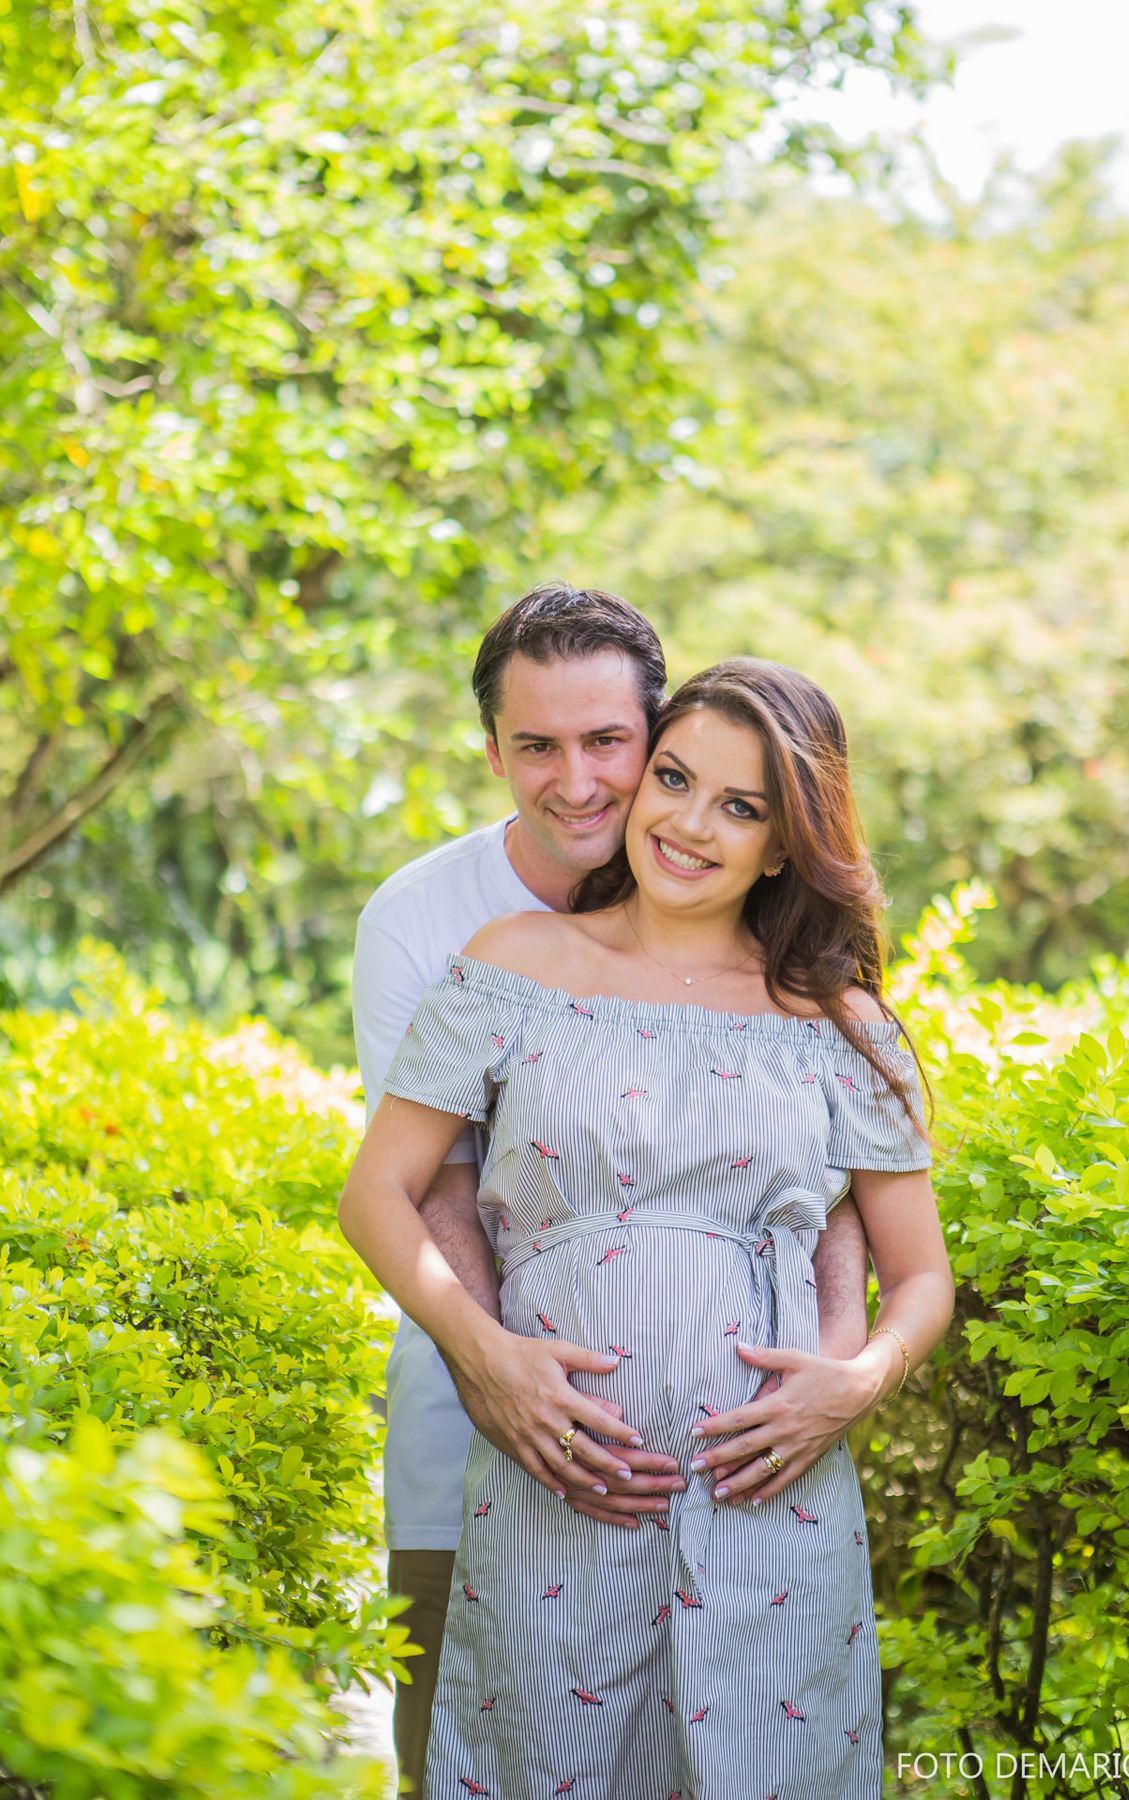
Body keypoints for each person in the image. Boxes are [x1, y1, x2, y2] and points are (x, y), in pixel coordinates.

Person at [341, 656, 955, 1799]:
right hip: (553, 1485)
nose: (689, 823)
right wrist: (488, 1356)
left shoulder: (841, 1021)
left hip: (769, 1498)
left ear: (785, 845)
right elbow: (375, 1195)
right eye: (673, 779)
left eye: (741, 806)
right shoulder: (513, 964)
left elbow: (921, 1275)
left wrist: (859, 1380)